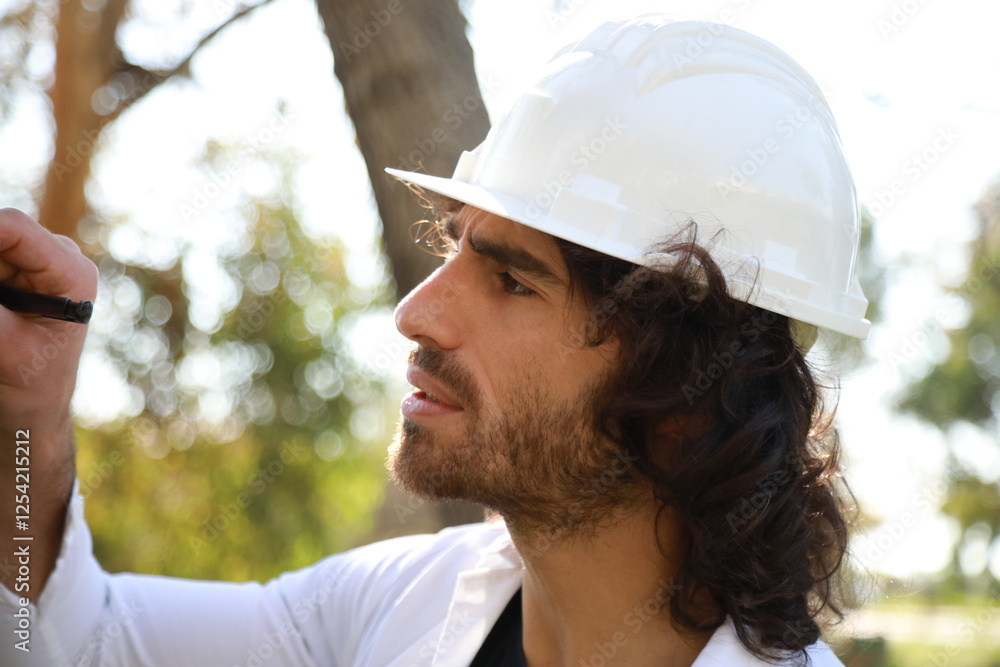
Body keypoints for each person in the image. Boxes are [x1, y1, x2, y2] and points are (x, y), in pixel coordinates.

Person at [0, 15, 870, 667]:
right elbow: (72, 642)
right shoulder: (396, 606)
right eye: (455, 248)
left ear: (692, 388)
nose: (416, 312)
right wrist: (30, 417)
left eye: (514, 280)